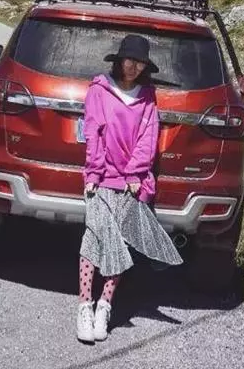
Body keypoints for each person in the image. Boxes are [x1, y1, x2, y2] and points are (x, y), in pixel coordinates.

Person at [77, 34, 183, 343]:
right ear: (119, 60)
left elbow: (148, 137)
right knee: (94, 237)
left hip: (130, 182)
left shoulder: (147, 97)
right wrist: (94, 172)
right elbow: (93, 131)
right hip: (101, 177)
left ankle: (105, 305)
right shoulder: (99, 90)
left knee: (120, 244)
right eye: (129, 60)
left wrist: (135, 173)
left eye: (139, 62)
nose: (133, 67)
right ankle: (84, 306)